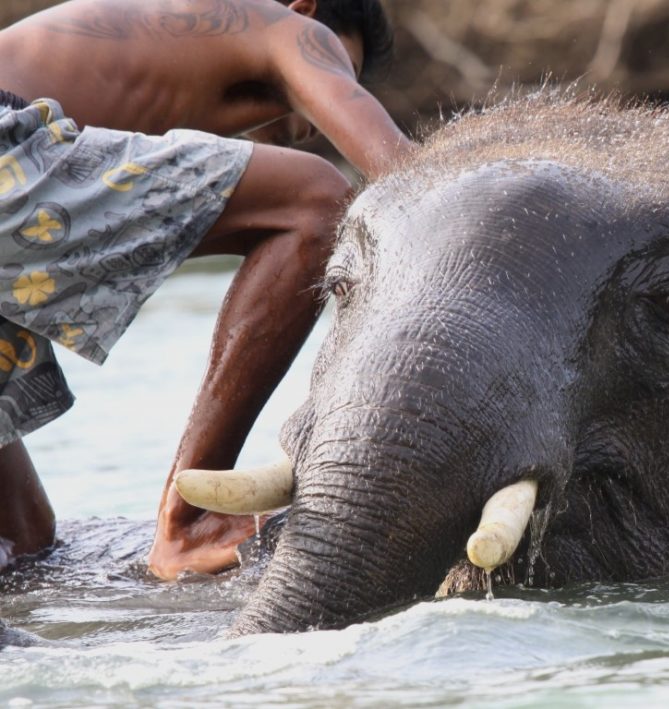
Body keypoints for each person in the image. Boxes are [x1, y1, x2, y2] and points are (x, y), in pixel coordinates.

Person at [0, 0, 414, 579]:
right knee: (318, 200)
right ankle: (189, 520)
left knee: (22, 541)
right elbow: (402, 176)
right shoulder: (286, 26)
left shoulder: (157, 52)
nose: (315, 118)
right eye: (339, 67)